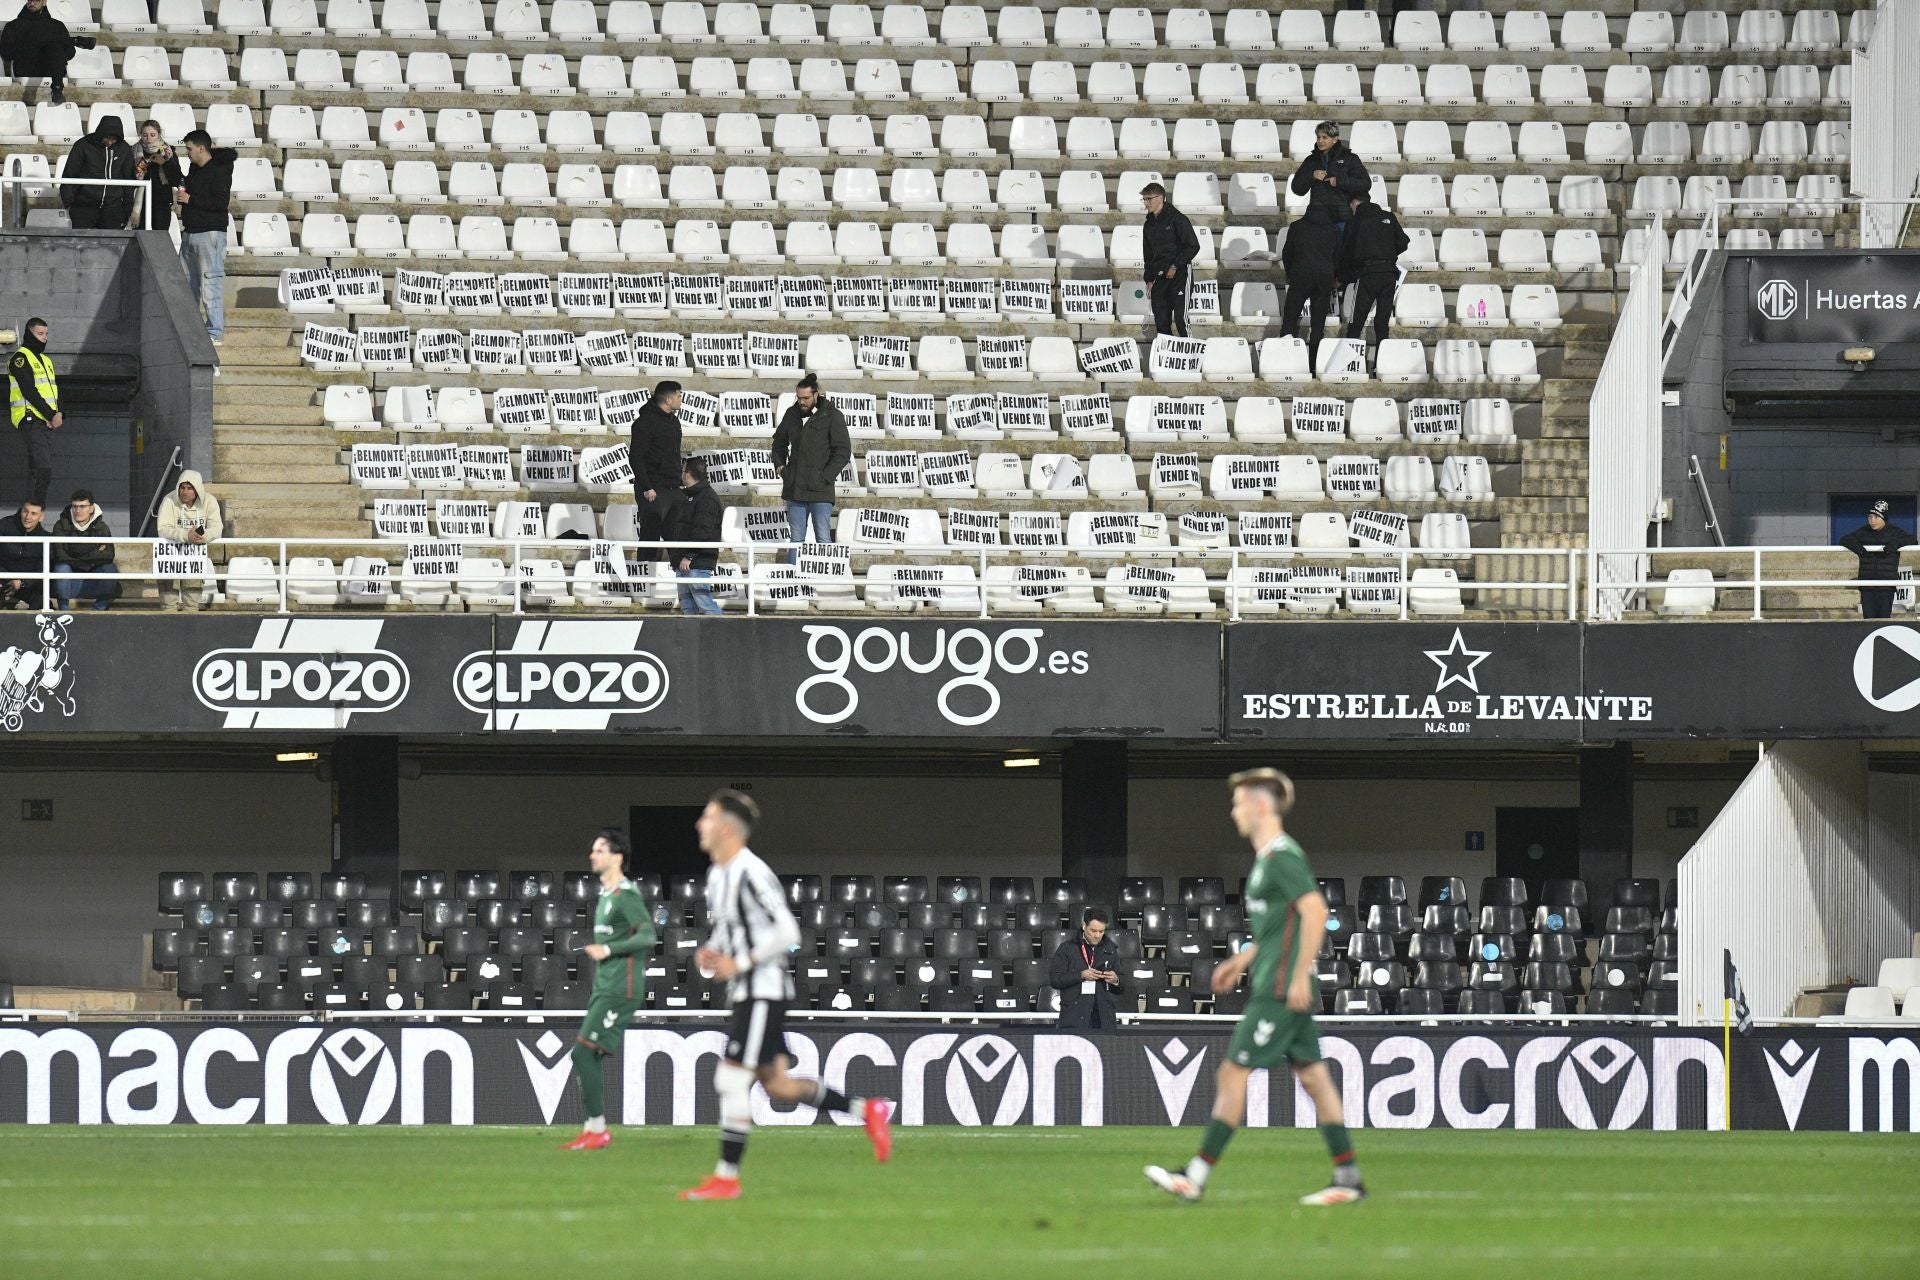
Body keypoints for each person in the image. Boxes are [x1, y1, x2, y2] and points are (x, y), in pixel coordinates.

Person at [1145, 769, 1365, 1208]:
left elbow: (1316, 912)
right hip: (1275, 979)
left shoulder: (1282, 857)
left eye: (1239, 803)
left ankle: (1196, 1175)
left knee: (1232, 1073)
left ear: (1261, 807)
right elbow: (1279, 927)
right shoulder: (1268, 859)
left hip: (1281, 988)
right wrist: (1241, 960)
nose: (1233, 812)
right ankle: (1348, 1179)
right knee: (1315, 1079)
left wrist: (1300, 974)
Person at [679, 790, 892, 1200]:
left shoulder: (751, 872)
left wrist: (738, 964)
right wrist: (711, 954)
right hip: (746, 991)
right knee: (777, 1086)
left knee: (730, 1078)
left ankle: (727, 1177)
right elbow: (728, 936)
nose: (698, 825)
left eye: (706, 817)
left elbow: (789, 933)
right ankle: (869, 1111)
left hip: (763, 992)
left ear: (726, 828)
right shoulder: (717, 875)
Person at [559, 828, 658, 1152]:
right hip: (605, 986)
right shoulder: (605, 896)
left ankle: (597, 1129)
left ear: (617, 857)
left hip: (621, 988)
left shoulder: (625, 896)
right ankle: (592, 1129)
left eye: (600, 850)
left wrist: (608, 949)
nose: (592, 855)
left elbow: (647, 937)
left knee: (582, 1052)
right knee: (589, 1055)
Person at [769, 373, 851, 563]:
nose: (802, 402)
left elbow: (843, 451)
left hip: (821, 489)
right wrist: (781, 467)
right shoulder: (792, 413)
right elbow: (778, 442)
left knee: (823, 537)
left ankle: (828, 582)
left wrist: (825, 477)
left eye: (806, 398)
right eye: (799, 398)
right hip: (795, 487)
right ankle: (792, 581)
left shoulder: (832, 415)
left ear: (816, 395)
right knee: (796, 539)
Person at [176, 130, 235, 347]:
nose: (187, 153)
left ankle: (214, 331)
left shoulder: (220, 170)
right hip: (190, 232)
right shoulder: (193, 170)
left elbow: (220, 204)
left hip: (210, 234)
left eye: (190, 149)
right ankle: (190, 327)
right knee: (187, 285)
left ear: (201, 148)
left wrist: (191, 199)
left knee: (211, 284)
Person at [1338, 193, 1410, 359]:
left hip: (1368, 274)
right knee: (1382, 323)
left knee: (1356, 322)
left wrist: (1342, 276)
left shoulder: (1355, 221)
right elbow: (1403, 242)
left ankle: (1348, 363)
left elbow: (1347, 252)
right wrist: (1387, 253)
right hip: (1389, 274)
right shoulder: (1388, 217)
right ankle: (1381, 363)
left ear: (1355, 203)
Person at [628, 379, 684, 561]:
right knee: (650, 537)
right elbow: (636, 457)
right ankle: (642, 582)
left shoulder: (674, 422)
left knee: (677, 537)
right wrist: (646, 487)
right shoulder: (644, 423)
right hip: (653, 489)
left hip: (672, 488)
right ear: (668, 400)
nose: (681, 399)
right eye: (678, 395)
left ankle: (681, 582)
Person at [1281, 206, 1340, 377]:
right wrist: (1332, 275)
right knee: (1317, 325)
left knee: (1290, 319)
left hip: (1300, 275)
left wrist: (1290, 273)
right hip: (1323, 278)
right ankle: (1314, 365)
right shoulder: (1333, 229)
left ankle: (1287, 362)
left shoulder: (1297, 227)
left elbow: (1287, 253)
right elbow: (1337, 256)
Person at [0, 0, 95, 105]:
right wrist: (30, 45)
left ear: (44, 2)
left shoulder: (56, 25)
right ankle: (76, 41)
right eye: (30, 0)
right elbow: (5, 53)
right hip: (26, 68)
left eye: (36, 0)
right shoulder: (13, 26)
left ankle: (57, 89)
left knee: (54, 45)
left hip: (50, 69)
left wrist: (48, 50)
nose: (32, 3)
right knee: (52, 41)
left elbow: (70, 52)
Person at [8, 317, 59, 507]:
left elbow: (54, 390)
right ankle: (34, 511)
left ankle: (33, 510)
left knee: (39, 468)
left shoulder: (46, 360)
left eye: (46, 334)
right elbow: (29, 390)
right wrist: (51, 415)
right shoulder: (20, 359)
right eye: (40, 334)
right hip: (29, 417)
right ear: (30, 334)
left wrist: (59, 412)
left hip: (45, 421)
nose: (44, 338)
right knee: (42, 468)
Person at [1048, 906, 1126, 1030]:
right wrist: (1080, 975)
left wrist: (1116, 980)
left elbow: (1122, 985)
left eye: (1101, 931)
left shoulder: (1111, 949)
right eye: (1093, 931)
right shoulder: (1067, 948)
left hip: (1103, 1018)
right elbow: (1055, 979)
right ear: (1084, 926)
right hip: (1074, 1016)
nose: (1097, 935)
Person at [156, 468, 222, 610]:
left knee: (192, 605)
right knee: (168, 605)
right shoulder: (169, 500)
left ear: (197, 489)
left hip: (194, 556)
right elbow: (163, 528)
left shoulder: (209, 501)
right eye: (182, 487)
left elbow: (217, 527)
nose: (184, 492)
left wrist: (202, 537)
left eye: (189, 488)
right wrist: (186, 535)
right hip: (170, 555)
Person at [1140, 182, 1200, 338]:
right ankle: (1167, 359)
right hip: (1159, 277)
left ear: (1160, 198)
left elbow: (1193, 246)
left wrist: (1175, 265)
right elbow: (1148, 256)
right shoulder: (1148, 225)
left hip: (1180, 274)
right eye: (1144, 199)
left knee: (1181, 319)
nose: (1146, 203)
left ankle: (1190, 357)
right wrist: (1149, 279)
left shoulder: (1178, 219)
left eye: (1149, 199)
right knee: (1161, 321)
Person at [1839, 500, 1917, 619]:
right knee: (1868, 620)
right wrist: (1860, 550)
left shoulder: (1895, 532)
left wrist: (1895, 544)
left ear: (1883, 518)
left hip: (1887, 584)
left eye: (1876, 517)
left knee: (1884, 620)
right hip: (1867, 584)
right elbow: (1845, 539)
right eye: (1870, 517)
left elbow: (1913, 540)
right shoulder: (1863, 531)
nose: (1872, 520)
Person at [60, 115, 136, 229]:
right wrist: (69, 203)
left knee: (111, 245)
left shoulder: (124, 148)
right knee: (81, 244)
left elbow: (128, 180)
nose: (110, 142)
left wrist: (127, 208)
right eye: (107, 138)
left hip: (113, 208)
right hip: (84, 206)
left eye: (114, 139)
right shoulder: (83, 145)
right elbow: (69, 174)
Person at [669, 456, 723, 615]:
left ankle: (725, 636)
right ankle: (690, 639)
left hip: (696, 562)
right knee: (687, 607)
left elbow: (702, 530)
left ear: (688, 474)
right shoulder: (688, 496)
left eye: (683, 470)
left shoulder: (707, 498)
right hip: (683, 561)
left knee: (705, 604)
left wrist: (689, 555)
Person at [1290, 121, 1372, 224]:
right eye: (1318, 137)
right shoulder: (1310, 160)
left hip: (1342, 218)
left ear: (1334, 139)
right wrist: (1311, 176)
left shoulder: (1350, 158)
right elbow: (1297, 189)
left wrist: (1339, 181)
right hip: (1317, 219)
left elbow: (1365, 183)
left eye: (1324, 137)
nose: (1320, 141)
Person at [51, 488, 116, 610]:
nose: (77, 510)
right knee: (61, 567)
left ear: (91, 508)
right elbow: (60, 555)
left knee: (110, 569)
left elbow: (108, 556)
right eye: (75, 506)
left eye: (82, 506)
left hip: (93, 576)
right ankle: (64, 611)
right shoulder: (61, 525)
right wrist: (93, 552)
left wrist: (75, 551)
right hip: (69, 579)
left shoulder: (102, 527)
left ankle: (99, 610)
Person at [133, 121, 183, 233]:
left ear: (159, 134)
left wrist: (168, 162)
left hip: (162, 202)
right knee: (140, 237)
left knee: (160, 238)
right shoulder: (134, 151)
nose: (148, 139)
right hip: (140, 203)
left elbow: (176, 180)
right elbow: (129, 176)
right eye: (145, 135)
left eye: (152, 135)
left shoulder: (167, 151)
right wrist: (139, 173)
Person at [0, 497, 50, 611]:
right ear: (21, 510)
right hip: (3, 580)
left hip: (27, 586)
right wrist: (7, 577)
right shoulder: (5, 525)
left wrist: (22, 582)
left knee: (42, 601)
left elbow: (42, 567)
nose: (28, 517)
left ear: (41, 517)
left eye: (33, 513)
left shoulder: (45, 538)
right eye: (25, 511)